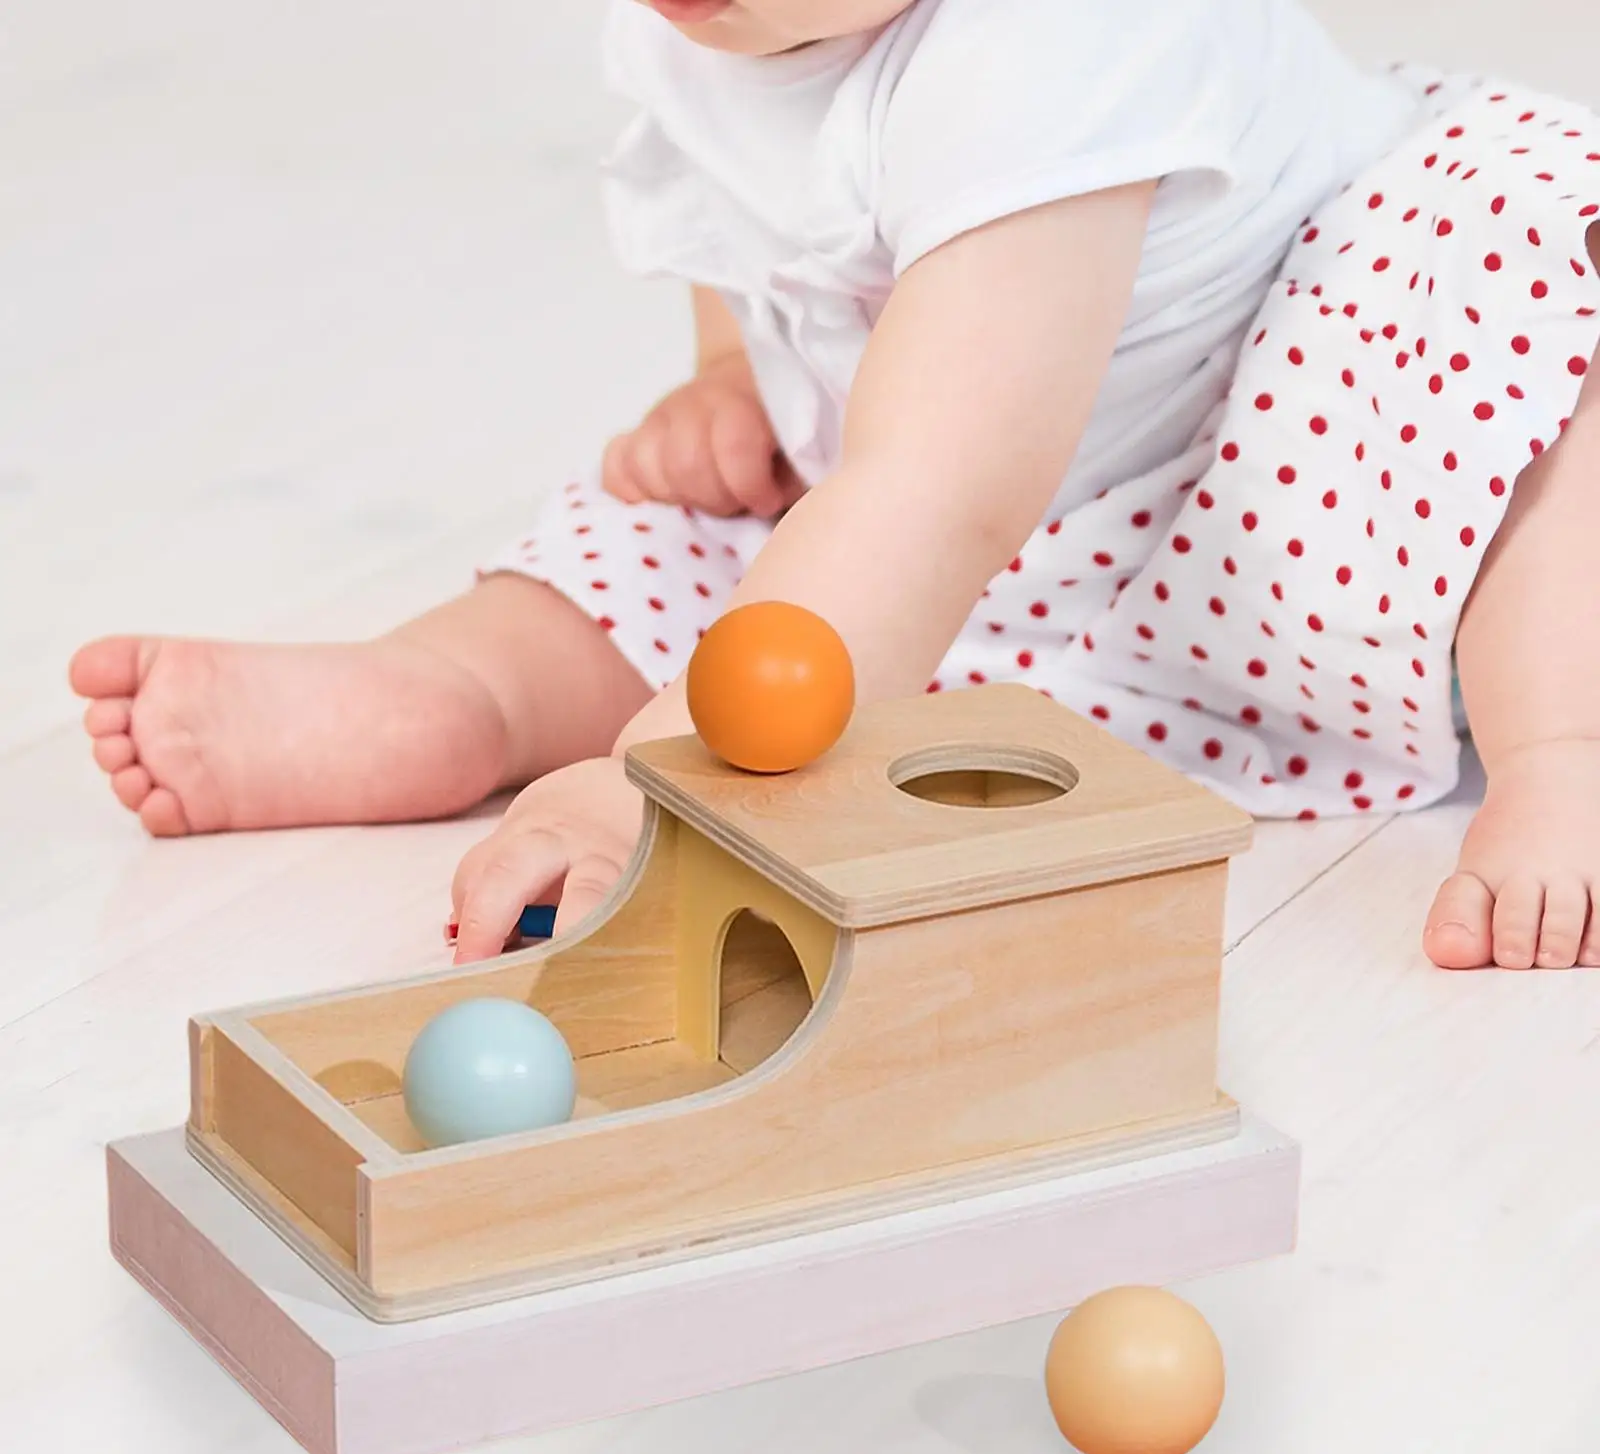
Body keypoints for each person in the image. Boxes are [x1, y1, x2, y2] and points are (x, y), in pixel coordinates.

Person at [69, 0, 1600, 970]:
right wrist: (734, 379)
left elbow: (936, 498)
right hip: (1037, 525)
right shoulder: (726, 19)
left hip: (1315, 459)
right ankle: (453, 694)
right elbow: (751, 207)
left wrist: (664, 787)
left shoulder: (1057, 46)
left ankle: (1567, 748)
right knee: (723, 536)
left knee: (1534, 356)